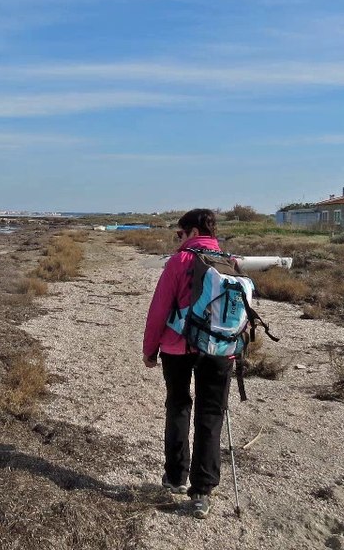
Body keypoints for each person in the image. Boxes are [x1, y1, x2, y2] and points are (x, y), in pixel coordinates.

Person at [142, 208, 232, 520]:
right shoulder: (229, 262)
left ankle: (176, 477)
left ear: (192, 232)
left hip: (178, 347)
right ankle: (202, 492)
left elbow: (159, 310)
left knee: (179, 405)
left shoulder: (178, 262)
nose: (177, 240)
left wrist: (149, 349)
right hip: (220, 350)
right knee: (210, 415)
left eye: (179, 234)